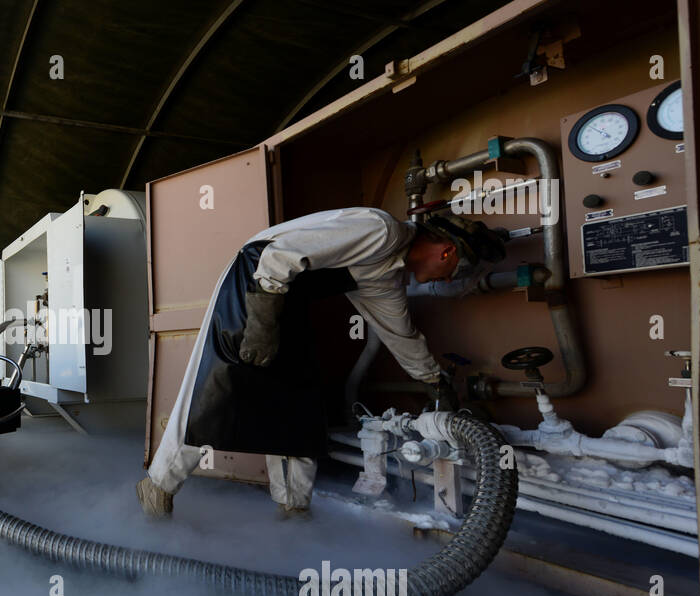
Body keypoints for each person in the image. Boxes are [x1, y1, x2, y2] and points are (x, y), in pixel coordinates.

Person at [136, 206, 505, 520]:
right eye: (457, 270)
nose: (451, 279)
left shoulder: (386, 276)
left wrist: (434, 380)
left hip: (289, 302)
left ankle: (294, 509)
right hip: (255, 282)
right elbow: (278, 256)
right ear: (447, 253)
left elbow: (399, 333)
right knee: (217, 390)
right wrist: (262, 323)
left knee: (298, 404)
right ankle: (157, 489)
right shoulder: (382, 230)